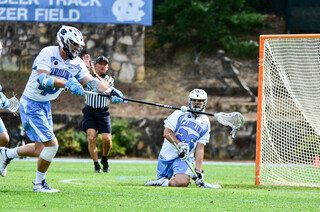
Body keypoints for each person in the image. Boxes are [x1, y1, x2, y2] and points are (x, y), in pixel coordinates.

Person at [0, 25, 126, 193]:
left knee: (40, 149)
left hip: (45, 104)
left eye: (78, 45)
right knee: (52, 146)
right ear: (64, 41)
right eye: (74, 44)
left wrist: (110, 91)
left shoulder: (77, 62)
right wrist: (68, 83)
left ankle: (5, 155)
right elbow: (43, 79)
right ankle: (39, 185)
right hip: (31, 103)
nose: (77, 48)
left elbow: (91, 81)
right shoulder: (48, 53)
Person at [144, 89, 219, 188]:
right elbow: (166, 133)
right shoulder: (179, 113)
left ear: (204, 102)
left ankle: (167, 181)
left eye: (199, 101)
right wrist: (180, 144)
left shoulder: (205, 122)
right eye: (194, 100)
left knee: (182, 183)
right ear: (189, 100)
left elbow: (200, 148)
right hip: (168, 154)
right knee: (164, 177)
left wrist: (198, 171)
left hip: (185, 157)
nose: (196, 103)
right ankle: (162, 181)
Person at [82, 54, 114, 173]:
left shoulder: (109, 79)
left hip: (103, 112)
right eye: (100, 64)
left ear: (107, 67)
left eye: (105, 65)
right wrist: (85, 69)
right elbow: (81, 83)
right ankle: (96, 165)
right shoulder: (88, 78)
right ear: (95, 66)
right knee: (91, 138)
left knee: (107, 139)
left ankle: (104, 158)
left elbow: (107, 87)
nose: (102, 66)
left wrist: (95, 74)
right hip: (90, 112)